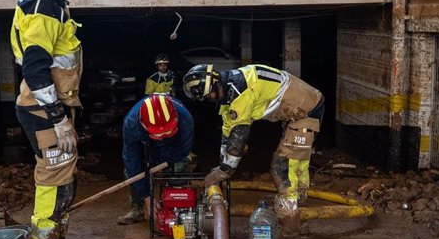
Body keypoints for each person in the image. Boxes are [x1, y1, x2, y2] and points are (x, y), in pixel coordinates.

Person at [11, 0, 89, 239]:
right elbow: (35, 65)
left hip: (51, 105)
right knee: (53, 180)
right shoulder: (43, 6)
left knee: (65, 176)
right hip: (44, 109)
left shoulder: (47, 1)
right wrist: (57, 117)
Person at [182, 64, 324, 205]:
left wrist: (226, 170)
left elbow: (239, 134)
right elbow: (228, 132)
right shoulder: (228, 91)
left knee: (283, 164)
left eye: (210, 96)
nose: (211, 99)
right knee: (299, 160)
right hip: (297, 111)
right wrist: (222, 164)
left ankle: (289, 214)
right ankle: (299, 201)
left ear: (214, 85)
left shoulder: (240, 91)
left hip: (307, 110)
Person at [118, 93, 194, 224]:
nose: (163, 135)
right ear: (143, 124)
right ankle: (137, 209)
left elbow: (181, 151)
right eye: (160, 134)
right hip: (146, 143)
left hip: (173, 147)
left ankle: (177, 208)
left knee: (179, 167)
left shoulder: (185, 119)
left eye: (167, 132)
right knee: (132, 172)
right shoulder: (131, 124)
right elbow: (132, 159)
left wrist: (163, 165)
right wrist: (147, 195)